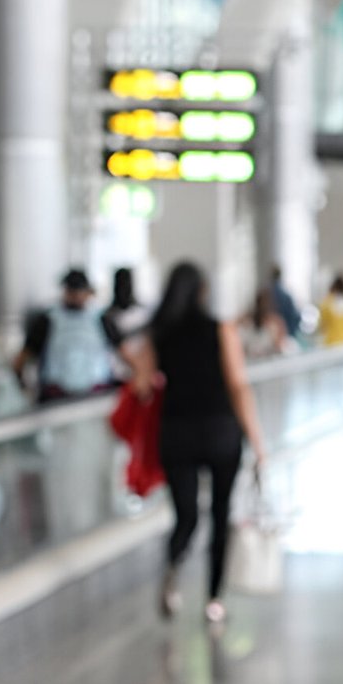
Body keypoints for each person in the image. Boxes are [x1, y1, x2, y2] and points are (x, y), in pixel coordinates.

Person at [127, 261, 267, 624]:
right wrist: (257, 441)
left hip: (176, 433)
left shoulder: (160, 333)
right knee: (220, 513)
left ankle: (173, 570)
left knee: (186, 515)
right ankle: (214, 600)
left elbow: (141, 383)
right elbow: (238, 385)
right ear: (203, 292)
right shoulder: (220, 329)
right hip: (220, 431)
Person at [12, 268, 117, 401]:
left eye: (79, 291)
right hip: (57, 396)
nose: (75, 296)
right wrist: (21, 386)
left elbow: (123, 350)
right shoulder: (48, 320)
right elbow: (24, 356)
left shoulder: (102, 318)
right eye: (71, 291)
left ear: (87, 292)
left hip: (96, 395)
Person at [237, 287, 293, 359]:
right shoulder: (246, 322)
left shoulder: (276, 323)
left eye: (265, 304)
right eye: (261, 303)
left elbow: (280, 347)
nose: (263, 307)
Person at [268, 264, 302, 342]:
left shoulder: (266, 295)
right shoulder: (286, 295)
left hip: (272, 336)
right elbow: (294, 316)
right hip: (286, 335)